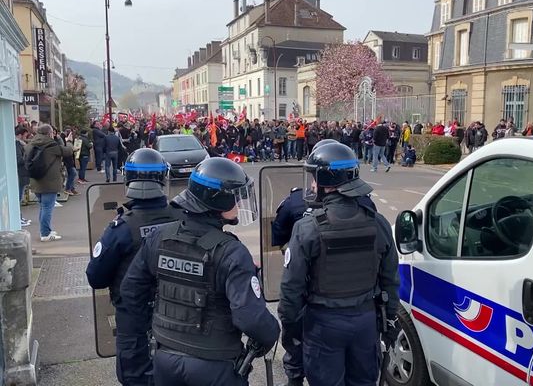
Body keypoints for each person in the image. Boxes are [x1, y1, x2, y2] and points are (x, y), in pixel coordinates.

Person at [120, 157, 280, 386]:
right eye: (235, 198)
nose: (238, 204)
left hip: (165, 358)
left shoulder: (160, 237)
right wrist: (272, 332)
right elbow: (251, 318)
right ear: (219, 202)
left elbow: (131, 292)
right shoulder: (232, 252)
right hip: (214, 365)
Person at [278, 143, 400, 386]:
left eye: (314, 178)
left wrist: (290, 332)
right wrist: (390, 321)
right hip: (366, 322)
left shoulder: (308, 228)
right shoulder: (379, 223)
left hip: (323, 325)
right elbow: (390, 280)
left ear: (325, 180)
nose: (312, 185)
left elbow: (291, 289)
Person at [86, 148, 180, 386]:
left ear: (128, 179)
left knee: (135, 377)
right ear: (163, 178)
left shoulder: (119, 229)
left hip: (134, 317)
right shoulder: (182, 219)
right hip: (179, 313)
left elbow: (95, 277)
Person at [25, 124, 73, 242]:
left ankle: (46, 230)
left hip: (36, 181)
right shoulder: (51, 145)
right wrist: (69, 141)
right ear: (50, 133)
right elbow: (67, 151)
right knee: (47, 208)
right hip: (49, 182)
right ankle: (45, 234)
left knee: (43, 207)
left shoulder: (30, 144)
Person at [15, 126, 31, 227]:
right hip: (20, 173)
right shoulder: (17, 144)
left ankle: (19, 217)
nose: (27, 137)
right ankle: (18, 218)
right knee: (18, 196)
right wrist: (27, 158)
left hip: (21, 173)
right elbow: (19, 160)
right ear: (21, 135)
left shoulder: (19, 144)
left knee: (19, 196)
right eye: (25, 135)